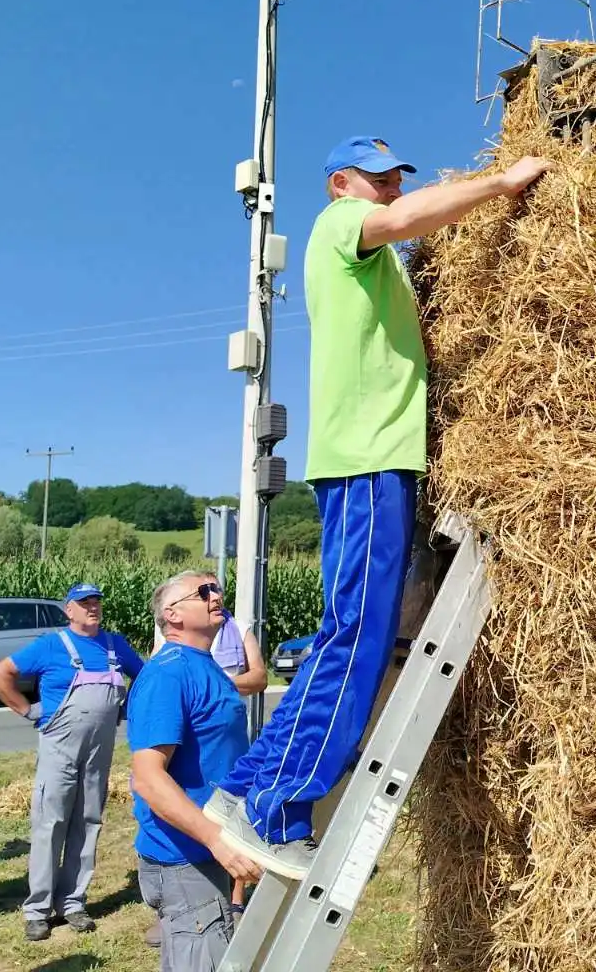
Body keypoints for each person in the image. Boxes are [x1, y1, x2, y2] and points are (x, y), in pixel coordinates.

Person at [208, 136, 550, 879]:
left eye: (399, 179)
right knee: (355, 635)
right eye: (380, 179)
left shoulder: (375, 266)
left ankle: (242, 789)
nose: (394, 190)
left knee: (353, 632)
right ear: (340, 183)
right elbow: (406, 221)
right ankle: (275, 805)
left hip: (378, 464)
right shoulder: (338, 226)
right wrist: (504, 184)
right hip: (365, 462)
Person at [0, 582, 145, 940]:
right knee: (50, 822)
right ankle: (38, 909)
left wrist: (125, 706)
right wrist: (28, 711)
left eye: (96, 602)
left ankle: (73, 902)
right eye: (83, 603)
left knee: (88, 821)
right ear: (68, 610)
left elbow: (144, 675)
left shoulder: (114, 645)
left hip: (98, 752)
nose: (92, 607)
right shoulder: (51, 645)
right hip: (59, 746)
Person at [129, 574, 264, 971]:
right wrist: (217, 840)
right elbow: (149, 779)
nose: (216, 596)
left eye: (218, 588)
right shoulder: (168, 674)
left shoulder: (207, 668)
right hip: (184, 858)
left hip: (207, 851)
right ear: (172, 615)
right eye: (203, 592)